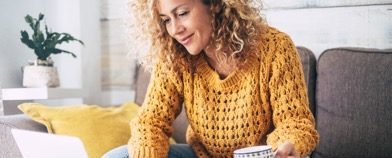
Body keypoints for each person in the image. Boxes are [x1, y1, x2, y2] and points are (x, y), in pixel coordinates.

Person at [103, 0, 319, 157]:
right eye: (166, 20)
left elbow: (295, 122)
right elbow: (151, 122)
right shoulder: (175, 56)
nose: (175, 30)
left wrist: (288, 146)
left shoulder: (275, 48)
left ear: (214, 5)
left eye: (182, 13)